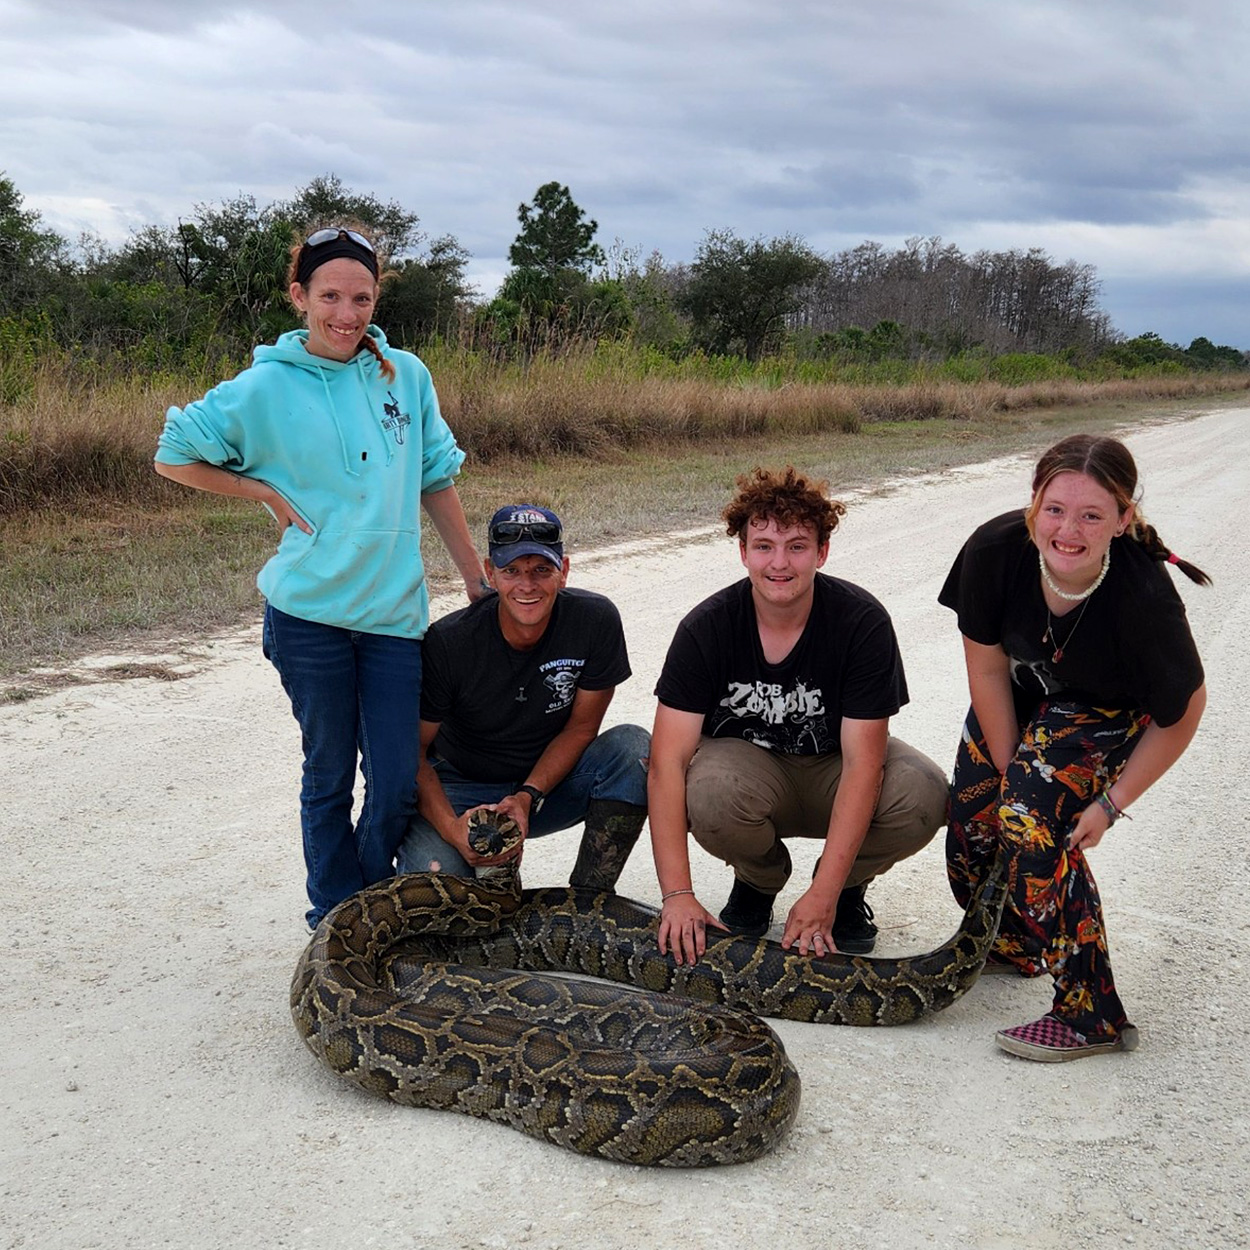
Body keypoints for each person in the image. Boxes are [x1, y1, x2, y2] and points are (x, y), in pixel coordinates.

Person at [154, 225, 486, 930]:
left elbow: (435, 478)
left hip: (394, 616)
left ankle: (366, 904)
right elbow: (173, 455)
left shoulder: (407, 375)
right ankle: (336, 920)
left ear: (376, 299)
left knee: (396, 781)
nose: (346, 313)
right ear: (300, 296)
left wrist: (475, 577)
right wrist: (263, 494)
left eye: (361, 297)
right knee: (329, 775)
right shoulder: (267, 386)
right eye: (330, 296)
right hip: (309, 617)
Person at [940, 433, 1208, 1062]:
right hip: (1021, 689)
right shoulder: (994, 551)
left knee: (1030, 823)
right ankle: (1017, 945)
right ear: (1033, 503)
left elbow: (1184, 713)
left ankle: (1092, 1014)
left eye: (1092, 514)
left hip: (1105, 710)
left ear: (1123, 519)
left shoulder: (1142, 599)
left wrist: (1110, 805)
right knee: (973, 826)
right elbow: (985, 670)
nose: (1068, 529)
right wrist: (1011, 771)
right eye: (1054, 508)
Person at [649, 466, 948, 966]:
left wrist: (826, 892)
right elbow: (666, 763)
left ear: (822, 552)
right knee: (706, 789)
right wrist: (676, 895)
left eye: (796, 545)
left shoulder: (861, 623)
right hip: (751, 774)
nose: (779, 563)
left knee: (923, 793)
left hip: (834, 767)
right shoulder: (707, 628)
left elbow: (863, 765)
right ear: (743, 552)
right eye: (763, 545)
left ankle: (847, 889)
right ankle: (758, 881)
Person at [395, 504, 650, 888]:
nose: (526, 585)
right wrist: (452, 829)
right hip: (461, 786)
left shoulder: (596, 621)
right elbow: (413, 753)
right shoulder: (450, 642)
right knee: (437, 881)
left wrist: (528, 796)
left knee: (633, 750)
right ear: (490, 573)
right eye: (511, 571)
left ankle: (588, 898)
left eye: (541, 570)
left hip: (548, 785)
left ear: (563, 571)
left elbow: (581, 729)